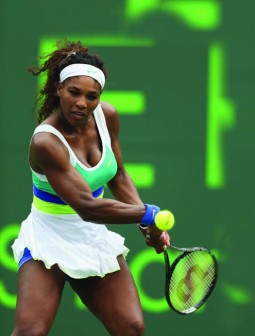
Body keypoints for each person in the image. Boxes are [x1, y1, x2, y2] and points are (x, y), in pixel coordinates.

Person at [11, 40, 170, 336]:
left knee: (131, 328)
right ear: (59, 89)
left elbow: (119, 175)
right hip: (48, 236)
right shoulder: (46, 142)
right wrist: (145, 213)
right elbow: (87, 207)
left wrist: (145, 224)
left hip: (91, 237)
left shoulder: (106, 117)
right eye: (74, 92)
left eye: (92, 96)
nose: (82, 103)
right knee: (29, 333)